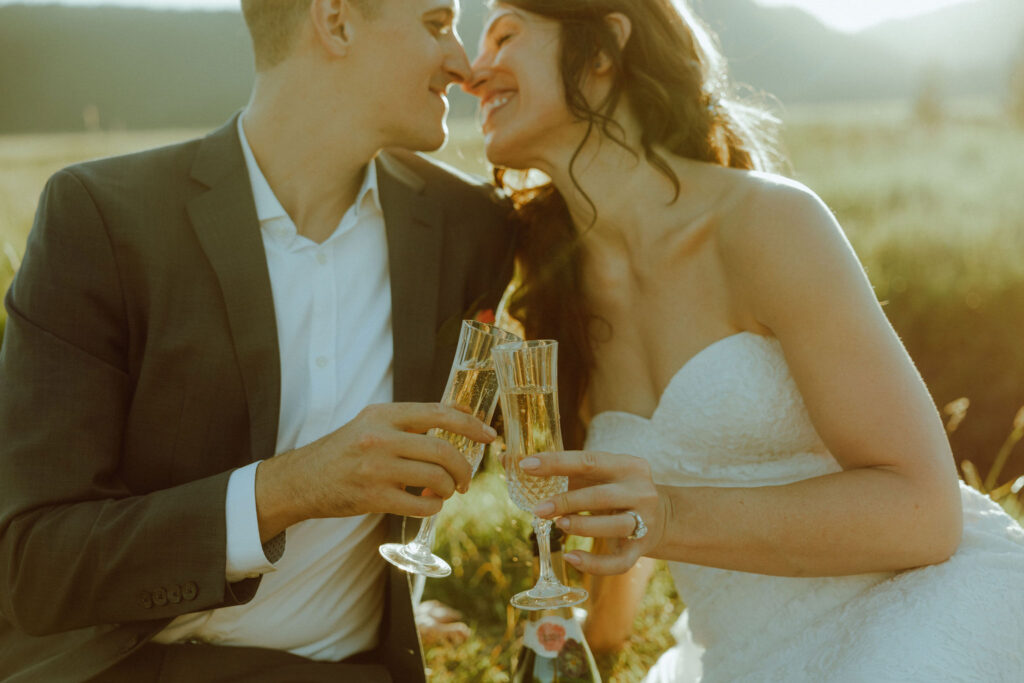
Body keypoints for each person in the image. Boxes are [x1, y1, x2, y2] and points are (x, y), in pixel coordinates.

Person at [465, 0, 1024, 680]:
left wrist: (668, 515)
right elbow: (617, 581)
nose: (475, 68)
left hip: (917, 612)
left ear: (604, 48)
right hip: (741, 660)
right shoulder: (560, 296)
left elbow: (924, 512)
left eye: (504, 36)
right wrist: (561, 627)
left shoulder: (768, 222)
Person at [0, 1, 515, 681]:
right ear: (335, 21)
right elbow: (36, 564)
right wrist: (293, 487)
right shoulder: (102, 219)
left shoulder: (468, 228)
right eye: (434, 24)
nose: (462, 60)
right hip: (124, 667)